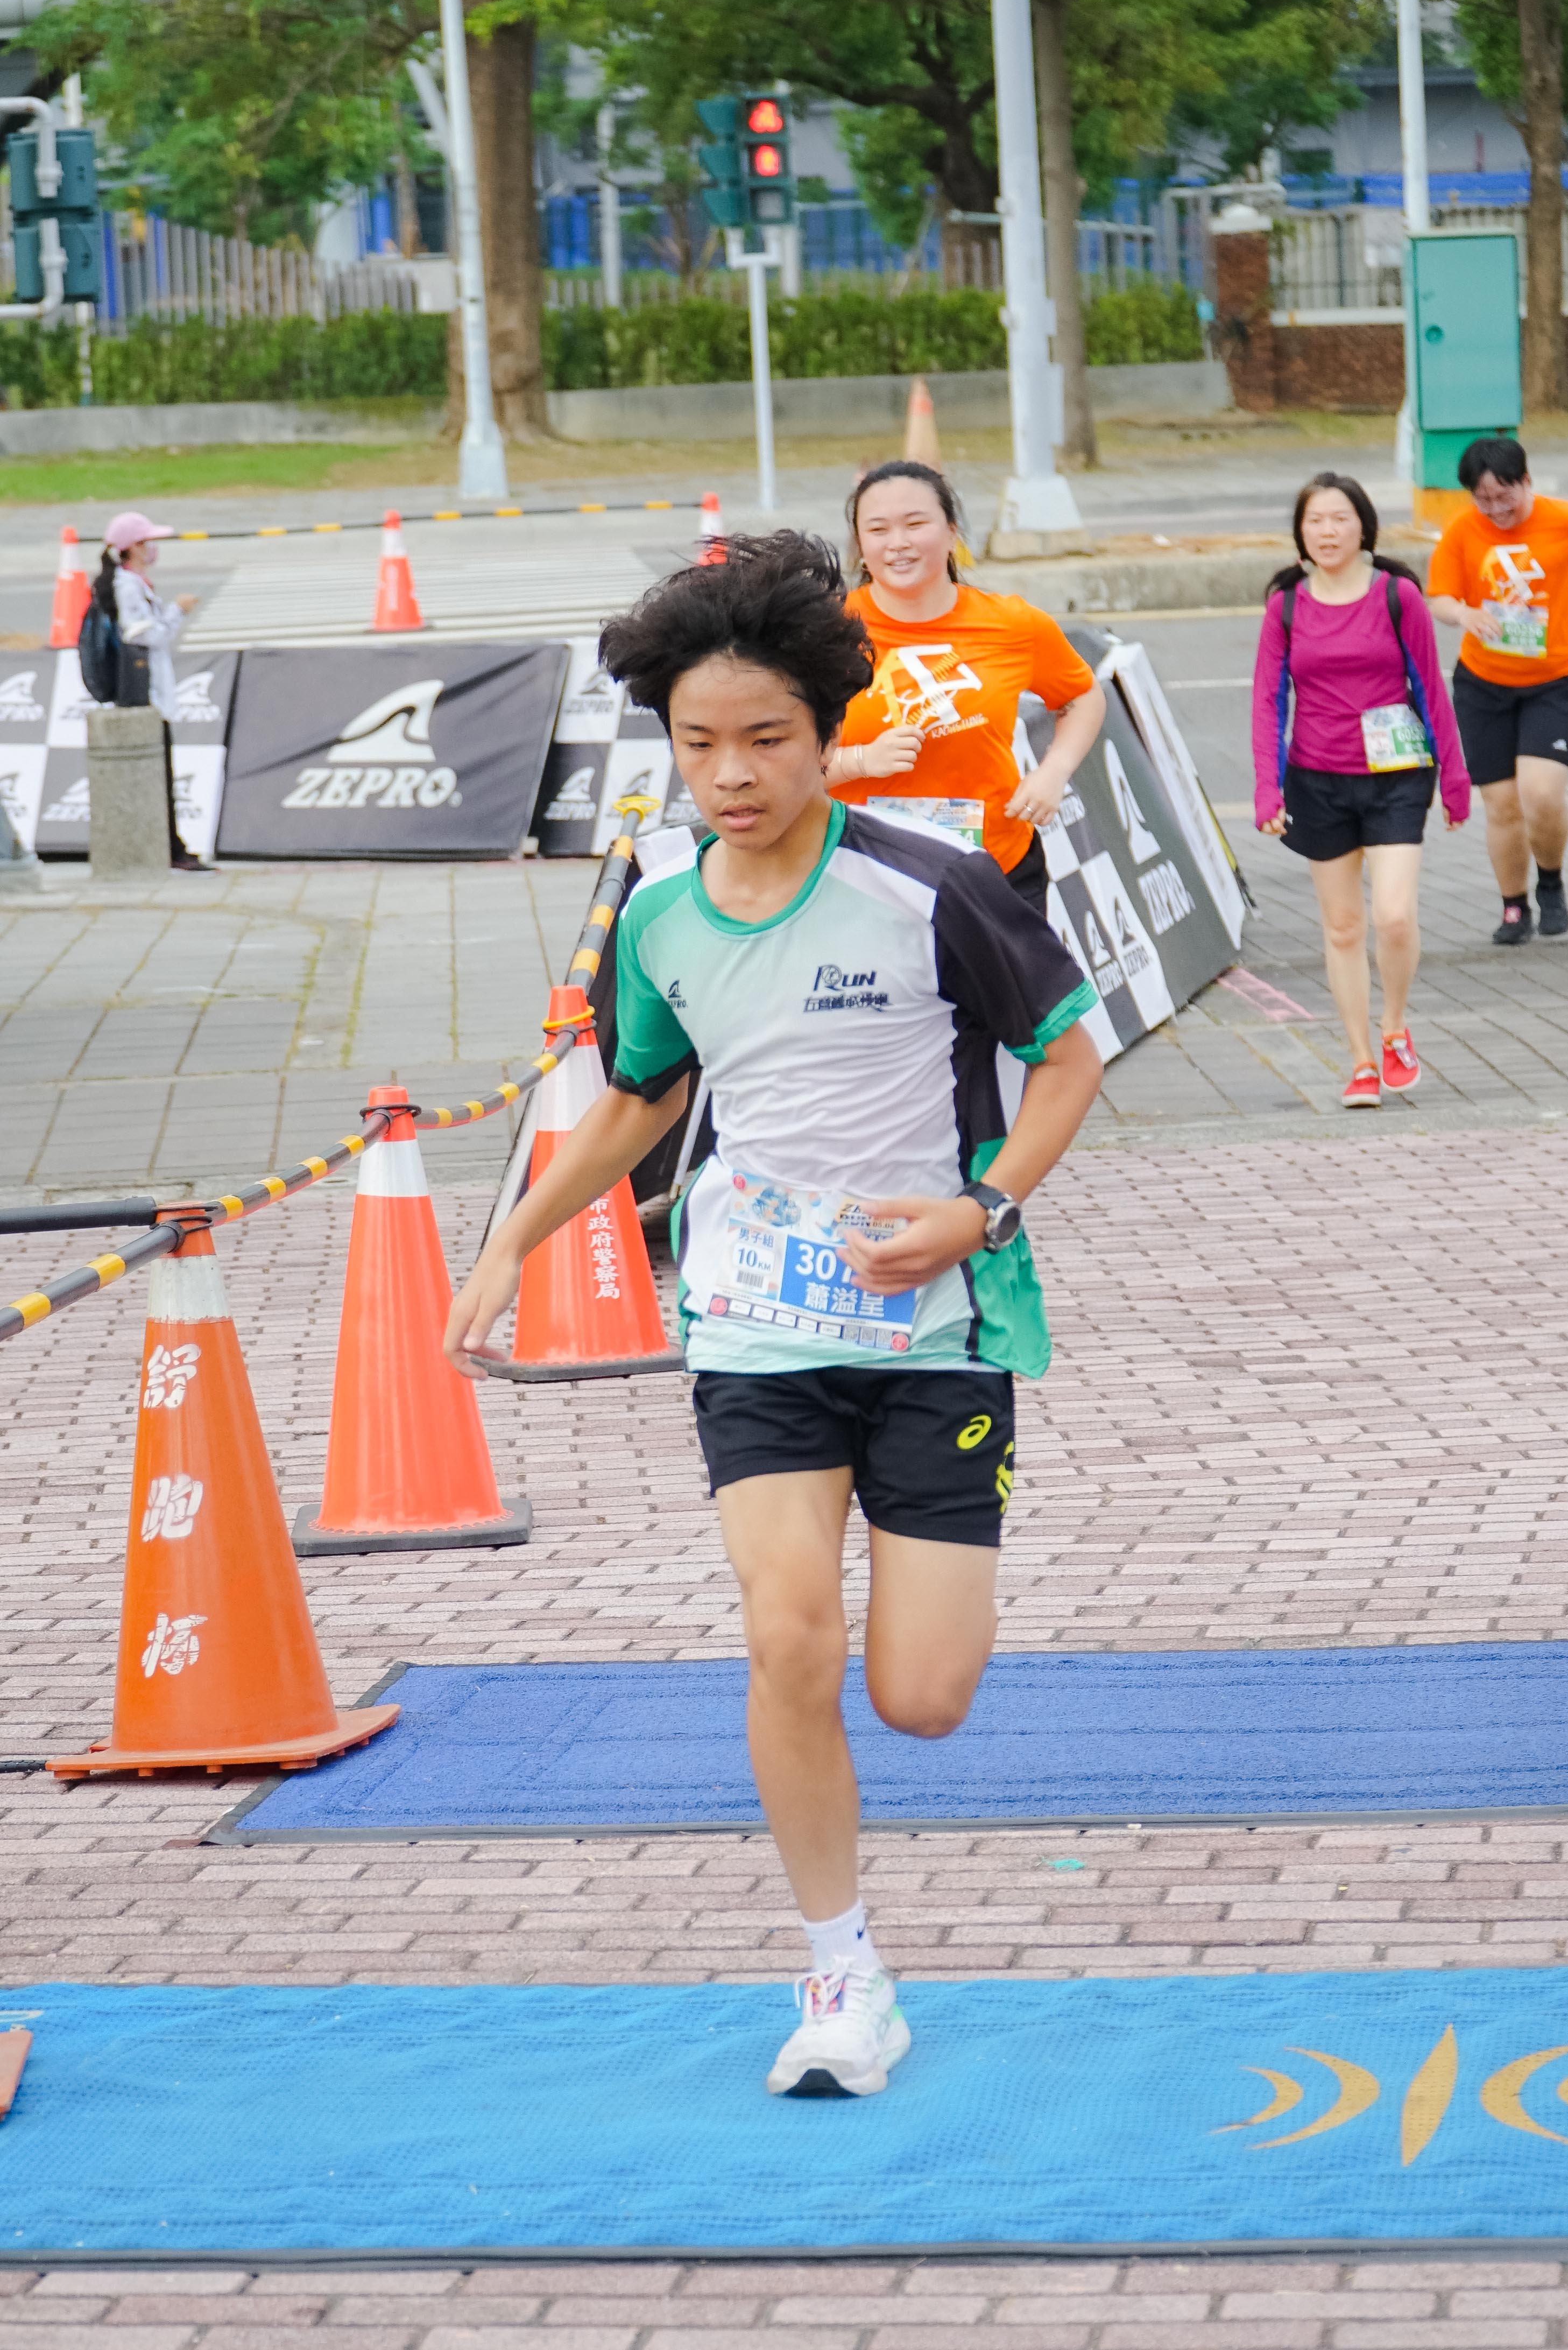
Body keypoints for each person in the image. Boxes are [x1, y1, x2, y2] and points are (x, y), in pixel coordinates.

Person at [444, 532, 1103, 2098]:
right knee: (784, 1633)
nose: (729, 775)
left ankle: (856, 1912)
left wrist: (979, 1206)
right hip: (752, 1319)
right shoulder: (659, 913)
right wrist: (511, 1239)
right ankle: (837, 1971)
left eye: (762, 739)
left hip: (932, 1327)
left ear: (825, 732)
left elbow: (1069, 1058)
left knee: (919, 1697)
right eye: (697, 745)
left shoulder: (931, 888)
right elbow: (640, 1095)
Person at [1252, 473, 1470, 1109]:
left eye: (1339, 519)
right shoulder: (1285, 606)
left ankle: (1394, 1025)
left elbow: (1430, 686)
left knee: (1393, 916)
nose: (1327, 532)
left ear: (1363, 527)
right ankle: (1360, 1061)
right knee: (1343, 927)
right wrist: (1267, 789)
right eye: (1315, 521)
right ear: (1301, 532)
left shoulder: (1398, 596)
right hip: (1317, 780)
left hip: (1397, 776)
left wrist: (1454, 778)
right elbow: (1267, 700)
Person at [825, 460, 1107, 912]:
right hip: (864, 875)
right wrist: (860, 761)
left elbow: (1081, 695)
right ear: (860, 544)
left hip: (995, 868)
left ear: (952, 532)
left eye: (916, 524)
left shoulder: (1013, 624)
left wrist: (1053, 773)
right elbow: (782, 761)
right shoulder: (824, 633)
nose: (898, 543)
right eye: (878, 530)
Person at [1427, 435, 1568, 944]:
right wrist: (1464, 613)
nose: (1495, 510)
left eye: (1504, 496)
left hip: (1556, 681)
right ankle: (1514, 906)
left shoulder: (1566, 521)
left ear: (1527, 481)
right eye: (1483, 499)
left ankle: (1551, 882)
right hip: (1484, 683)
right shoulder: (1463, 530)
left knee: (1541, 793)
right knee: (1502, 803)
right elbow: (1440, 597)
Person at [97, 510, 204, 870]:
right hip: (147, 694)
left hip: (152, 691)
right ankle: (172, 849)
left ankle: (171, 846)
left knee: (161, 775)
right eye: (147, 542)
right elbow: (145, 635)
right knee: (159, 776)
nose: (153, 549)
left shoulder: (132, 583)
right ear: (133, 548)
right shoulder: (128, 586)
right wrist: (177, 611)